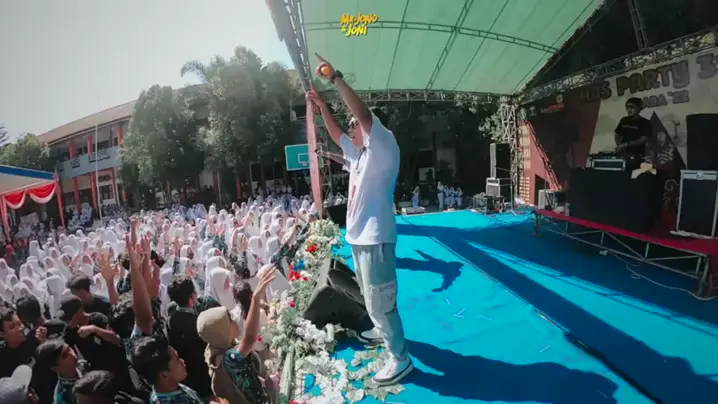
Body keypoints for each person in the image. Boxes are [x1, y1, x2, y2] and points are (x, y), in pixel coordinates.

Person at [305, 54, 413, 386]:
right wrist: (322, 107)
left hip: (376, 238)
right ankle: (383, 332)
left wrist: (334, 78)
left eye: (354, 125)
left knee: (381, 301)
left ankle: (400, 358)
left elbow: (363, 116)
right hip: (359, 238)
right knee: (370, 299)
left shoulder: (383, 146)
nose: (351, 127)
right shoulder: (360, 155)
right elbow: (336, 133)